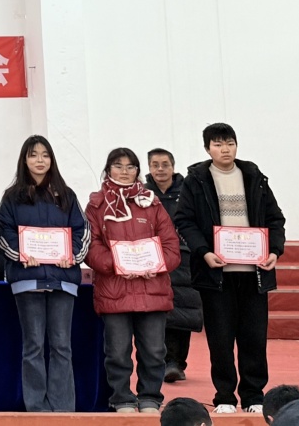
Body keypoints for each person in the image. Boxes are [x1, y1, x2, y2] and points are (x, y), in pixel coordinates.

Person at [174, 123, 286, 415]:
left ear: (236, 145)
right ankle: (224, 395)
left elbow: (275, 219)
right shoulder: (196, 180)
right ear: (207, 148)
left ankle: (253, 395)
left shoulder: (254, 177)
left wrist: (274, 251)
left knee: (254, 337)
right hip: (216, 274)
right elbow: (184, 220)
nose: (225, 149)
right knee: (220, 339)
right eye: (218, 144)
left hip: (254, 273)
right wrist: (205, 252)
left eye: (230, 143)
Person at [0, 135, 89, 413]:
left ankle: (63, 410)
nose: (40, 160)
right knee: (33, 346)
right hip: (28, 280)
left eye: (45, 155)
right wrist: (21, 254)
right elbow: (2, 232)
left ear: (52, 160)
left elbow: (82, 231)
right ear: (24, 160)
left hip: (63, 280)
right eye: (33, 155)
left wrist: (72, 256)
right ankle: (36, 409)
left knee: (62, 346)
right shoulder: (12, 197)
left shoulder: (67, 194)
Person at [85, 147, 181, 414]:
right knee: (117, 352)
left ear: (138, 171)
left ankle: (151, 397)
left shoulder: (152, 203)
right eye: (118, 166)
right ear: (108, 170)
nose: (125, 172)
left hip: (153, 289)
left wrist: (157, 263)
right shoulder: (96, 205)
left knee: (154, 351)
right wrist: (117, 264)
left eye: (130, 167)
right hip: (114, 290)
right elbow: (91, 247)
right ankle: (122, 399)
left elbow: (171, 246)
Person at [146, 147, 202, 383]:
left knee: (184, 312)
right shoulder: (143, 194)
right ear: (149, 168)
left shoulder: (187, 192)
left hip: (184, 258)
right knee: (159, 312)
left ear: (173, 166)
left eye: (165, 164)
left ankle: (177, 362)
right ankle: (162, 361)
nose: (160, 169)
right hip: (152, 259)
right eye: (155, 165)